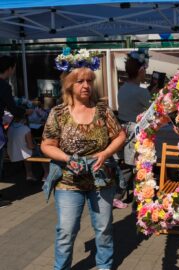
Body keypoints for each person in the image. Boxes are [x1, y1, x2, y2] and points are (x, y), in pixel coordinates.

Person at [41, 48, 125, 270]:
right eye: (80, 81)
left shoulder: (102, 110)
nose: (86, 85)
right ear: (69, 84)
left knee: (104, 228)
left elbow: (120, 136)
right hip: (69, 182)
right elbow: (47, 145)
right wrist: (68, 158)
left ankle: (104, 266)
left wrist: (106, 153)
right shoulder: (58, 113)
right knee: (66, 231)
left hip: (101, 179)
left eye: (89, 80)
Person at [115, 48, 151, 209]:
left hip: (122, 129)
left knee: (126, 165)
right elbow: (151, 109)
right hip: (135, 132)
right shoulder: (141, 92)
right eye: (145, 69)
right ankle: (141, 197)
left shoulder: (123, 88)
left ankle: (119, 194)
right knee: (139, 166)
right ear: (140, 71)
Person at [0, 55, 32, 207]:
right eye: (13, 67)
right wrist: (26, 112)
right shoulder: (4, 86)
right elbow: (13, 109)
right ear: (10, 68)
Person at [7, 114, 49, 181]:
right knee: (43, 153)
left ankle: (29, 174)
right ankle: (46, 174)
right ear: (24, 119)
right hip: (23, 154)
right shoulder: (25, 128)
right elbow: (30, 146)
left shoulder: (10, 127)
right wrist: (36, 146)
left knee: (26, 154)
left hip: (11, 153)